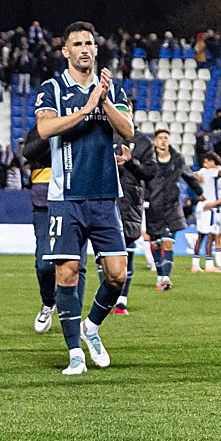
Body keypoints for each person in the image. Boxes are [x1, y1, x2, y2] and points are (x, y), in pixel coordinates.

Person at [35, 21, 134, 376]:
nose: (85, 49)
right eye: (77, 43)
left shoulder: (112, 89)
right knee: (67, 273)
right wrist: (85, 108)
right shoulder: (53, 89)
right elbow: (45, 129)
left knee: (117, 276)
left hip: (106, 195)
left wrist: (103, 101)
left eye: (89, 43)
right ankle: (75, 352)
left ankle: (90, 327)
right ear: (66, 51)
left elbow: (128, 131)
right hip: (66, 196)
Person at [20, 125, 87, 333]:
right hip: (44, 200)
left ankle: (74, 314)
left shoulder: (84, 122)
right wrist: (55, 130)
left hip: (77, 196)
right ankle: (49, 303)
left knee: (77, 264)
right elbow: (29, 153)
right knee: (44, 264)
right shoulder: (41, 125)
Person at [148, 128, 202, 289]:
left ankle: (166, 277)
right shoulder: (149, 159)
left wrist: (199, 192)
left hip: (172, 206)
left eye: (166, 137)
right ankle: (160, 275)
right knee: (156, 244)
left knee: (168, 242)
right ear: (155, 141)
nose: (164, 140)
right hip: (153, 205)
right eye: (161, 138)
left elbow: (188, 175)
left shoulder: (177, 158)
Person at [111, 130, 157, 313]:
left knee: (128, 251)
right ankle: (107, 300)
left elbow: (150, 172)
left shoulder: (143, 142)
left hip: (131, 202)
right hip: (105, 197)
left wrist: (130, 162)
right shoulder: (102, 134)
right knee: (105, 252)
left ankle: (122, 299)